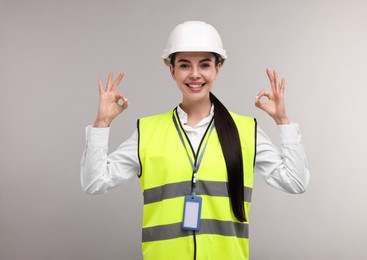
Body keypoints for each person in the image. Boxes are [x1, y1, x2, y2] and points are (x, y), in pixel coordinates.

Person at [81, 21, 310, 260]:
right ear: (172, 70)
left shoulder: (245, 131)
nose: (194, 74)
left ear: (218, 68)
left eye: (204, 64)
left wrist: (282, 120)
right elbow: (94, 183)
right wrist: (101, 123)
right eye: (184, 65)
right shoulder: (147, 131)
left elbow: (296, 182)